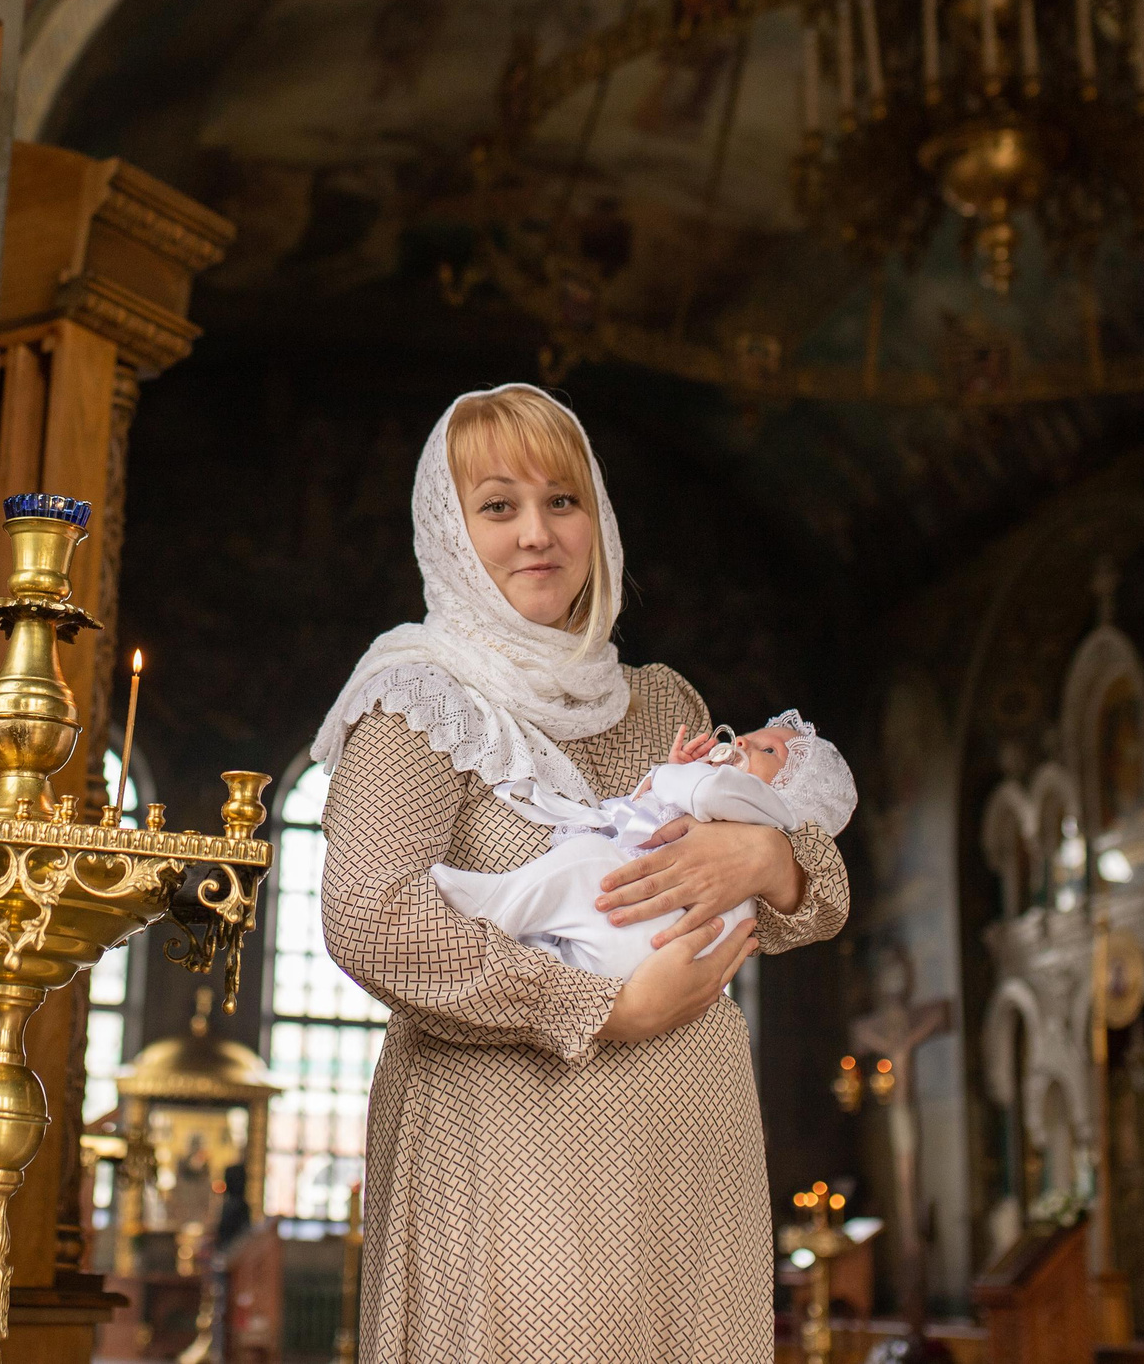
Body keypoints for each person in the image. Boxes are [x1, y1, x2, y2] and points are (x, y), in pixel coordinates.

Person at [312, 384, 847, 1363]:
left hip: (695, 1157)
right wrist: (600, 1006)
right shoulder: (414, 701)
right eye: (498, 505)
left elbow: (818, 901)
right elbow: (370, 917)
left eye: (563, 502)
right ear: (447, 526)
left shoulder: (660, 700)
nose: (536, 535)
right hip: (514, 1156)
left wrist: (768, 859)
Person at [431, 713, 856, 975]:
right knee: (569, 930)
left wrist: (672, 776)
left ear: (788, 797)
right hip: (645, 942)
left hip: (656, 938)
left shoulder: (764, 810)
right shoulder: (748, 810)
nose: (742, 740)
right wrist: (676, 774)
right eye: (754, 732)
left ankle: (492, 908)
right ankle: (536, 947)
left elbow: (707, 795)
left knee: (586, 863)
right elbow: (679, 802)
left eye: (769, 750)